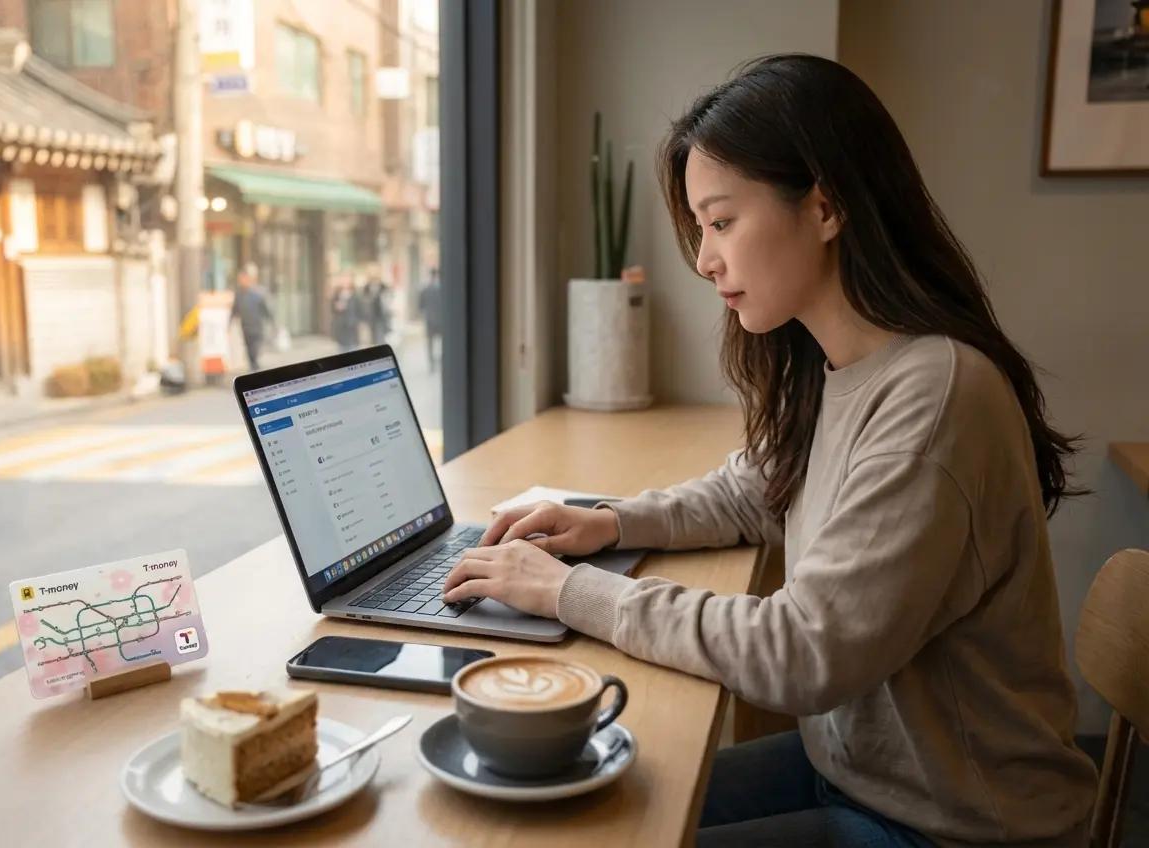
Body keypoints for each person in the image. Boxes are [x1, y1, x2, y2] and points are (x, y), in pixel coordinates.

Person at [442, 55, 1096, 847]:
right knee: (575, 817)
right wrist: (608, 523)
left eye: (721, 222)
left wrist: (568, 592)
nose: (704, 259)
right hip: (861, 770)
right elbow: (756, 488)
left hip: (956, 826)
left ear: (824, 206)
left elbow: (802, 651)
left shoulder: (936, 394)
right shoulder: (842, 364)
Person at [229, 263, 274, 371]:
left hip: (257, 328)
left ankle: (255, 368)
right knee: (249, 352)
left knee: (254, 351)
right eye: (241, 278)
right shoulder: (239, 294)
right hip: (245, 328)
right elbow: (234, 310)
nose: (242, 280)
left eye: (244, 278)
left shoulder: (258, 293)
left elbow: (266, 310)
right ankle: (254, 369)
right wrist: (229, 324)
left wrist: (272, 323)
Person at [418, 267, 442, 371]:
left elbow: (420, 306)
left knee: (430, 343)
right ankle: (440, 362)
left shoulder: (425, 289)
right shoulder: (442, 288)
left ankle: (431, 364)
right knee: (441, 343)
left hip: (429, 320)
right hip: (441, 320)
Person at [329, 277, 360, 351]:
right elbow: (332, 308)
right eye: (343, 281)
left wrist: (357, 320)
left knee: (352, 347)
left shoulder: (356, 295)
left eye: (347, 281)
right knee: (342, 347)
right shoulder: (336, 295)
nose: (345, 283)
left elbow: (359, 309)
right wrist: (337, 307)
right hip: (340, 324)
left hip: (352, 324)